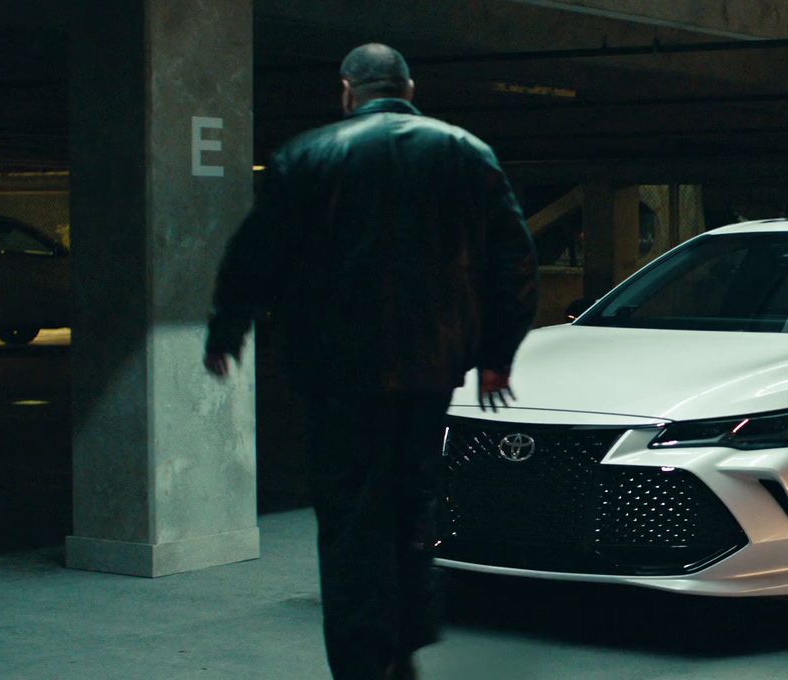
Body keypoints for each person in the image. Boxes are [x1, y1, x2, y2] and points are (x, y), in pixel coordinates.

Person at [203, 43, 538, 680]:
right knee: (412, 500)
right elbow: (514, 260)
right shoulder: (467, 153)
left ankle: (362, 659)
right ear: (408, 88)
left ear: (347, 90)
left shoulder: (305, 157)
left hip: (336, 374)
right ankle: (407, 640)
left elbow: (255, 255)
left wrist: (227, 330)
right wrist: (498, 354)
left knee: (350, 514)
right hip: (430, 366)